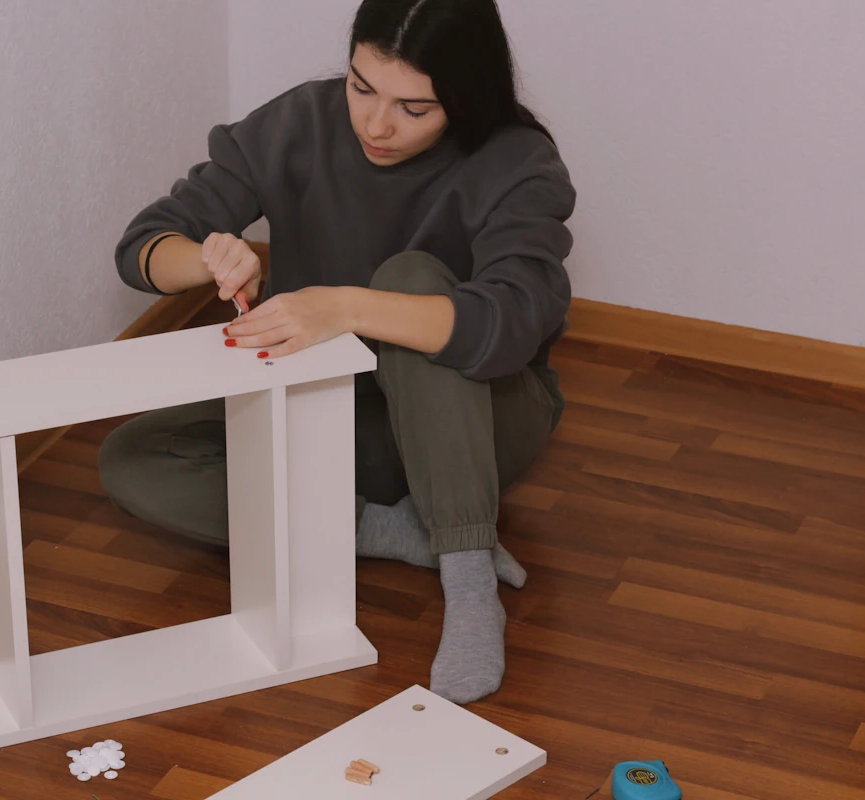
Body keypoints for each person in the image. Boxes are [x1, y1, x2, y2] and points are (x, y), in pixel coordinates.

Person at [99, 0, 575, 705]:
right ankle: (392, 529)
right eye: (361, 87)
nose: (376, 125)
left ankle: (468, 576)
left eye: (415, 108)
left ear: (467, 97)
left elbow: (512, 323)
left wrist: (345, 306)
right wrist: (205, 257)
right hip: (335, 411)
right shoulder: (299, 122)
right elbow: (143, 247)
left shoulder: (518, 161)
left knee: (409, 279)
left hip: (473, 423)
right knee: (135, 458)